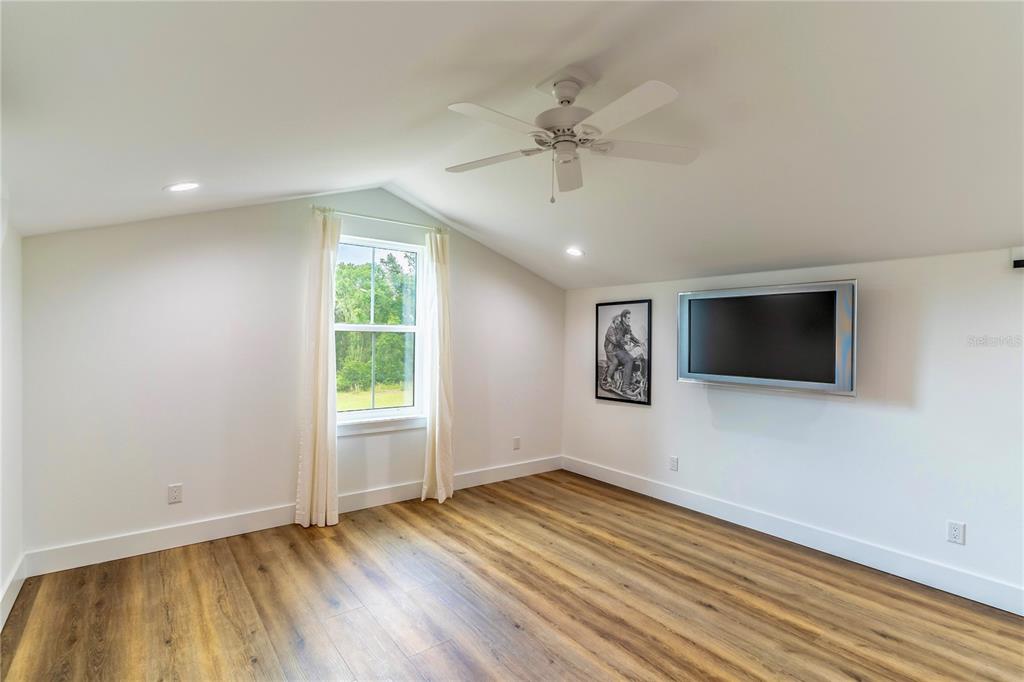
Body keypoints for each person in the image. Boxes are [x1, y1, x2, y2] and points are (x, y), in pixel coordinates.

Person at [605, 309, 641, 393]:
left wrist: (639, 342)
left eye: (629, 318)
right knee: (629, 360)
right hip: (617, 350)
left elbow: (631, 336)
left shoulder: (627, 327)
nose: (629, 320)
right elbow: (618, 338)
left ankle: (632, 380)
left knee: (637, 358)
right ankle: (625, 387)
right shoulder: (619, 326)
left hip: (622, 349)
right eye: (628, 318)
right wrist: (625, 345)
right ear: (623, 318)